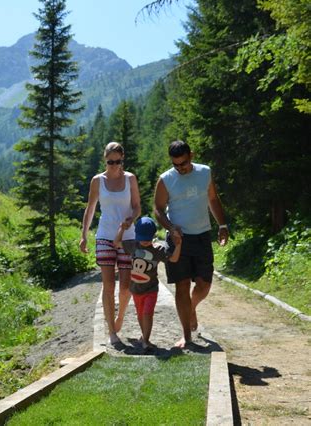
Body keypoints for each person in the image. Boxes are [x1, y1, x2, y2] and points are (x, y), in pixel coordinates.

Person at [154, 140, 228, 349]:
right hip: (179, 239)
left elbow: (213, 199)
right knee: (182, 286)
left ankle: (192, 307)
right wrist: (170, 227)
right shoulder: (166, 180)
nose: (181, 168)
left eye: (184, 163)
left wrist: (222, 224)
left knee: (204, 285)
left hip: (202, 236)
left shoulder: (205, 172)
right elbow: (158, 209)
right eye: (176, 164)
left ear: (191, 156)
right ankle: (186, 337)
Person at [80, 142, 141, 345]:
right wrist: (84, 235)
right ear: (104, 160)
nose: (114, 165)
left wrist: (130, 220)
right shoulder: (98, 181)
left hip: (128, 236)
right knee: (108, 285)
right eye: (110, 162)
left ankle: (120, 316)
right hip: (105, 236)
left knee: (125, 287)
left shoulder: (130, 179)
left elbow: (137, 206)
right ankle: (112, 332)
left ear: (122, 159)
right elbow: (90, 209)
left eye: (118, 161)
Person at [114, 216, 182, 350]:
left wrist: (179, 244)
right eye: (142, 238)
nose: (145, 241)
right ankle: (144, 337)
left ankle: (145, 340)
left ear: (153, 236)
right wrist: (122, 229)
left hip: (151, 289)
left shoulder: (158, 250)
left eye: (147, 238)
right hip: (135, 289)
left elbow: (173, 259)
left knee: (147, 313)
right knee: (140, 315)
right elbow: (116, 242)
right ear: (136, 235)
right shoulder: (133, 245)